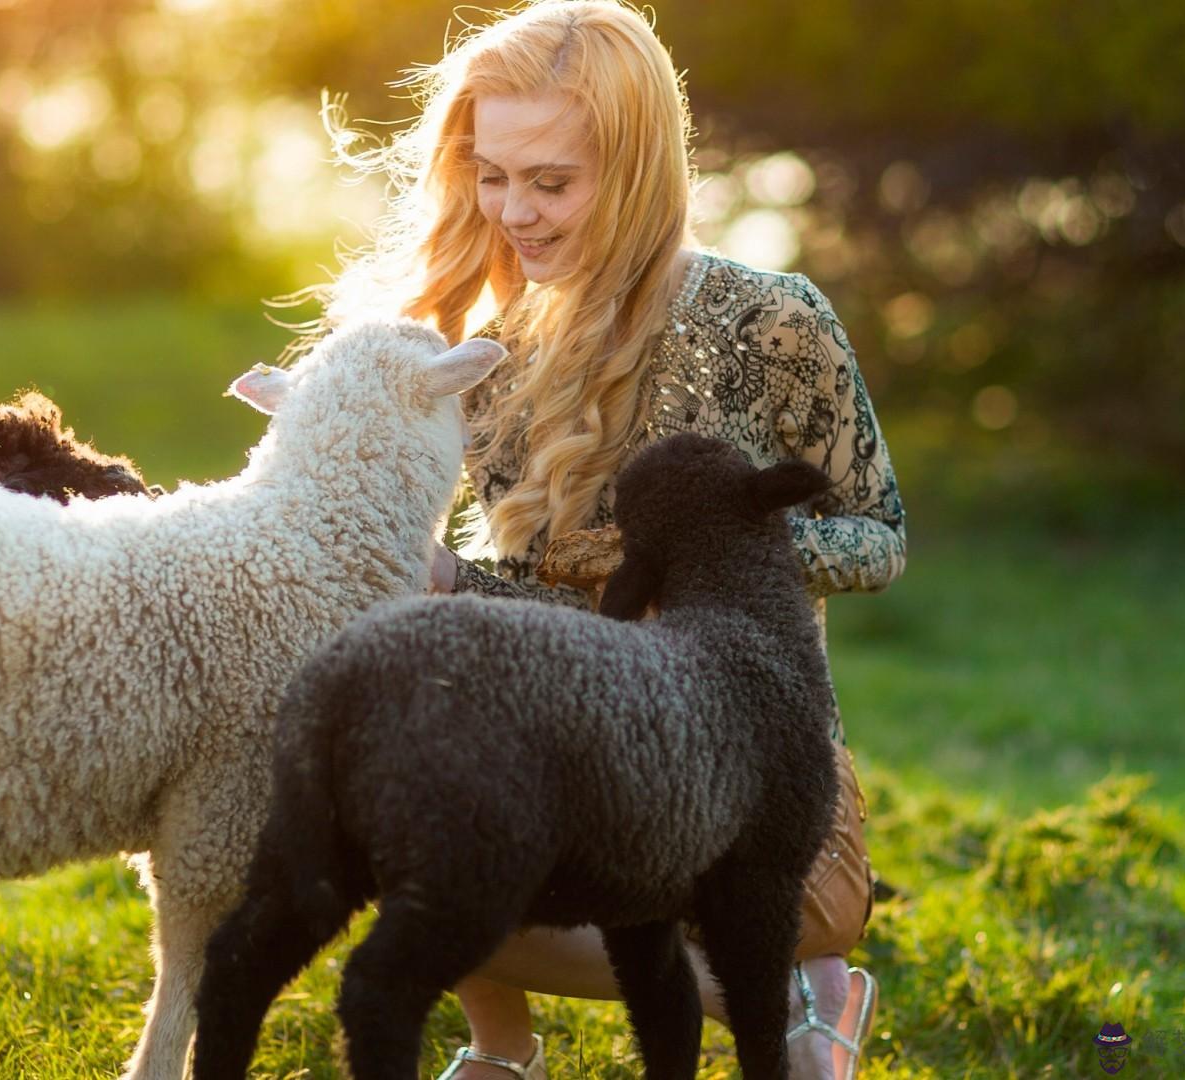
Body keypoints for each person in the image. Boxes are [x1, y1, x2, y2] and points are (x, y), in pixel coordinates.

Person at [305, 3, 907, 1078]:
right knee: (390, 815)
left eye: (552, 181)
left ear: (636, 170)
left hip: (746, 764)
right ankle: (504, 1049)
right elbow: (546, 615)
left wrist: (718, 548)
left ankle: (801, 989)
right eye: (493, 175)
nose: (514, 212)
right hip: (567, 751)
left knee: (737, 894)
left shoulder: (771, 322)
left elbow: (881, 536)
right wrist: (445, 580)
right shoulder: (483, 357)